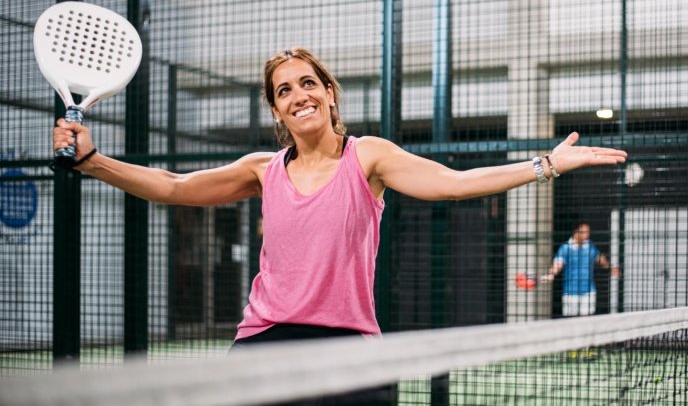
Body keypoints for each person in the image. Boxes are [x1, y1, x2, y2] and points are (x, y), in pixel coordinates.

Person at [53, 46, 626, 367]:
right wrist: (93, 162)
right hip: (264, 340)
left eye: (307, 83)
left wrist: (546, 165)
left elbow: (454, 183)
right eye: (284, 91)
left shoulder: (367, 157)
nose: (298, 95)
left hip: (347, 343)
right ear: (277, 113)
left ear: (328, 93)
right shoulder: (263, 170)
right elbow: (175, 186)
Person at [542, 221, 620, 317]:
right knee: (571, 320)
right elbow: (558, 264)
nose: (587, 235)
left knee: (587, 319)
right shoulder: (565, 248)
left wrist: (611, 268)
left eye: (588, 232)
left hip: (588, 291)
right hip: (570, 292)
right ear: (576, 232)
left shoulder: (590, 246)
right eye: (584, 232)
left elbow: (600, 258)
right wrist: (551, 274)